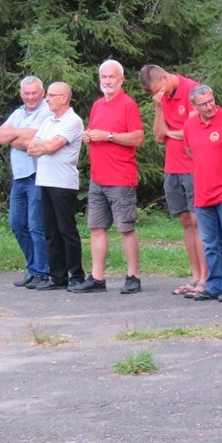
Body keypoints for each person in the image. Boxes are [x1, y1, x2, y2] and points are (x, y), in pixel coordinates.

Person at [75, 60, 145, 295]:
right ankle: (97, 278)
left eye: (111, 77)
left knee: (125, 228)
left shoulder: (128, 104)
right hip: (98, 177)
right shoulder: (97, 105)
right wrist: (89, 137)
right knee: (96, 227)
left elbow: (138, 138)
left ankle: (133, 276)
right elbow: (97, 134)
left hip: (121, 177)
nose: (107, 81)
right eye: (103, 77)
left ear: (121, 79)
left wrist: (109, 136)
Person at [138, 65, 207, 297]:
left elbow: (192, 132)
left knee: (198, 220)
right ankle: (195, 276)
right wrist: (159, 108)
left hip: (193, 167)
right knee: (186, 220)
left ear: (165, 79)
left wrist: (172, 132)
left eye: (158, 90)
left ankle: (206, 278)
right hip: (173, 167)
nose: (159, 95)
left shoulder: (192, 90)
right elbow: (159, 135)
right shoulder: (162, 99)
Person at [182, 84, 222, 302]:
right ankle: (214, 284)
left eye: (211, 101)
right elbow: (189, 150)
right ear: (194, 106)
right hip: (202, 193)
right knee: (210, 244)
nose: (209, 107)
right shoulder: (190, 125)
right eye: (203, 104)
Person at [0, 76, 51, 288]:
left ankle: (42, 272)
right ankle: (32, 267)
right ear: (21, 94)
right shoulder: (18, 113)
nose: (30, 97)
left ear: (42, 93)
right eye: (26, 93)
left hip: (36, 175)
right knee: (17, 224)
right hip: (19, 177)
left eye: (34, 93)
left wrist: (13, 135)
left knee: (36, 226)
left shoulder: (46, 111)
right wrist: (21, 135)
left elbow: (35, 140)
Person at [28, 82, 86, 291]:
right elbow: (31, 147)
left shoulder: (73, 120)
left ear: (64, 98)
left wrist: (46, 145)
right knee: (51, 231)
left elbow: (53, 146)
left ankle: (76, 275)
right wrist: (47, 145)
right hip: (45, 180)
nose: (47, 99)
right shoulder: (48, 121)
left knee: (66, 230)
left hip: (63, 183)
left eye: (52, 95)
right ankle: (57, 276)